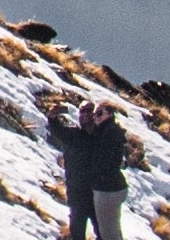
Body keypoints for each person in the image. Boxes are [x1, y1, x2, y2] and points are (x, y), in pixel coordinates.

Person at [44, 101, 128, 239]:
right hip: (77, 194)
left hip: (98, 193)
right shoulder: (73, 135)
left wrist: (122, 163)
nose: (85, 115)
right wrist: (52, 117)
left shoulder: (102, 136)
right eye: (82, 111)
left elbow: (112, 155)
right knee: (78, 233)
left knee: (103, 234)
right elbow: (57, 129)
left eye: (90, 111)